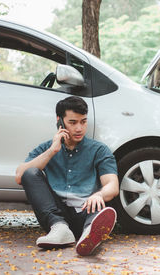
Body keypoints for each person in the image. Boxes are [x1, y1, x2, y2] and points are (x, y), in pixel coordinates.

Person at [15, 96, 119, 256]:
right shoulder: (46, 148)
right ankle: (60, 229)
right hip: (56, 215)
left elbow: (112, 185)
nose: (79, 128)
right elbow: (20, 176)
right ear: (60, 121)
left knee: (98, 205)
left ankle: (89, 233)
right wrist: (52, 151)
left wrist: (99, 195)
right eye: (73, 122)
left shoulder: (99, 150)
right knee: (31, 172)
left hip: (86, 210)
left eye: (83, 122)